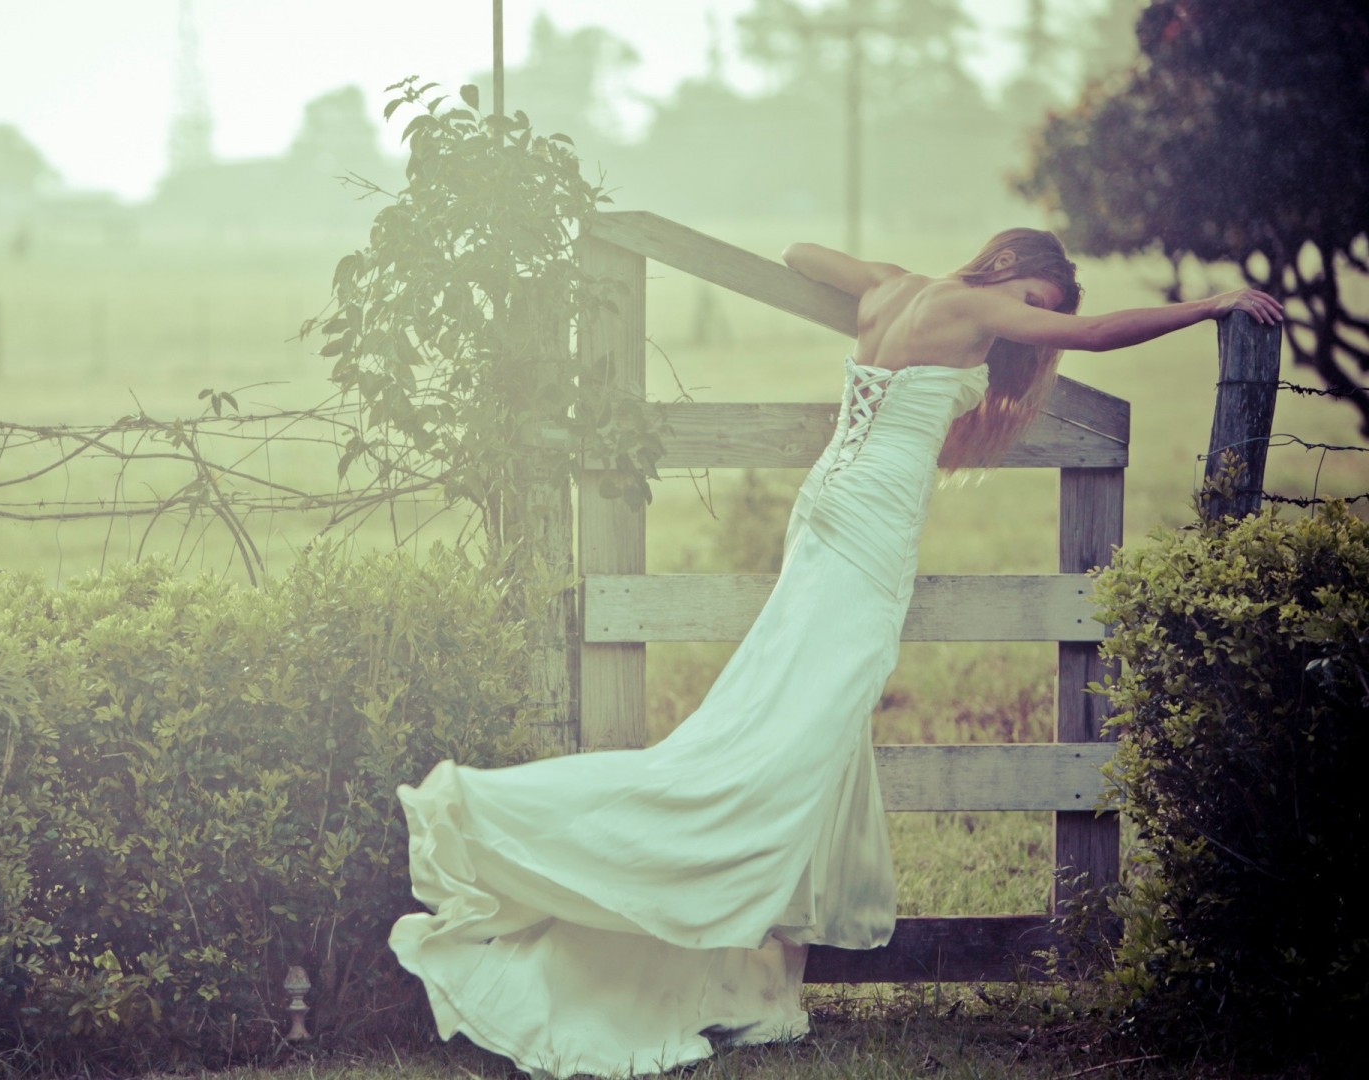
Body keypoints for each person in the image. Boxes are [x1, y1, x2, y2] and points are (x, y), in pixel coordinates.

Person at [386, 228, 1283, 1080]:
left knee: (805, 731)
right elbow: (1092, 332)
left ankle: (756, 977)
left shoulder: (895, 286)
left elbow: (797, 254)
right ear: (1007, 265)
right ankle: (490, 813)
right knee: (765, 748)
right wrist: (1212, 303)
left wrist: (877, 275)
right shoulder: (976, 312)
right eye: (1031, 297)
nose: (1032, 318)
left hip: (825, 506)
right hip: (868, 527)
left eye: (1036, 306)